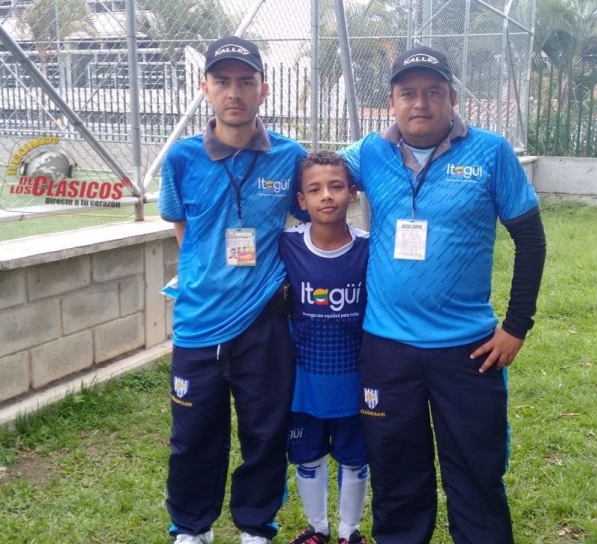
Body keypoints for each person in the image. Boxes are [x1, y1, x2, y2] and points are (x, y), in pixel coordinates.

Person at [341, 45, 547, 543]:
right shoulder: (369, 152)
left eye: (433, 92)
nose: (420, 103)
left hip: (468, 351)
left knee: (476, 474)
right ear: (391, 101)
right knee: (396, 476)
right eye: (408, 92)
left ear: (453, 98)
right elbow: (311, 176)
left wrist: (516, 326)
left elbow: (531, 239)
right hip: (386, 349)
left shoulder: (491, 152)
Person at [158, 36, 307, 544]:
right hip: (198, 322)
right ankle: (191, 528)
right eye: (222, 81)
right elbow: (181, 226)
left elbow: (314, 210)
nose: (234, 92)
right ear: (206, 89)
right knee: (193, 435)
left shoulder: (289, 157)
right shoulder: (181, 158)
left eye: (246, 81)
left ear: (264, 89)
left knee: (264, 432)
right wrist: (209, 277)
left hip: (265, 321)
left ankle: (255, 527)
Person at [280, 151, 369, 544]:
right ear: (301, 200)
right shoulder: (287, 245)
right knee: (307, 455)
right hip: (305, 383)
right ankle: (317, 528)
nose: (327, 196)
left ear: (353, 193)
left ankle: (350, 531)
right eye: (314, 189)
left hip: (356, 379)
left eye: (336, 186)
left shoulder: (369, 248)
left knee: (356, 457)